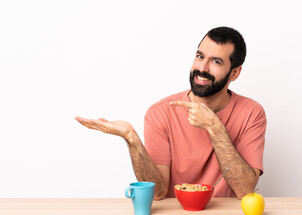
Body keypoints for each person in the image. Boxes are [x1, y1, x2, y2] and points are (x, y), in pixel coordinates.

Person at [75, 26, 266, 200]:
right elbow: (157, 192)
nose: (202, 68)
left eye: (216, 61)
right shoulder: (160, 113)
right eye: (200, 56)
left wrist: (214, 127)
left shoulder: (252, 113)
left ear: (235, 73)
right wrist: (131, 139)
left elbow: (245, 191)